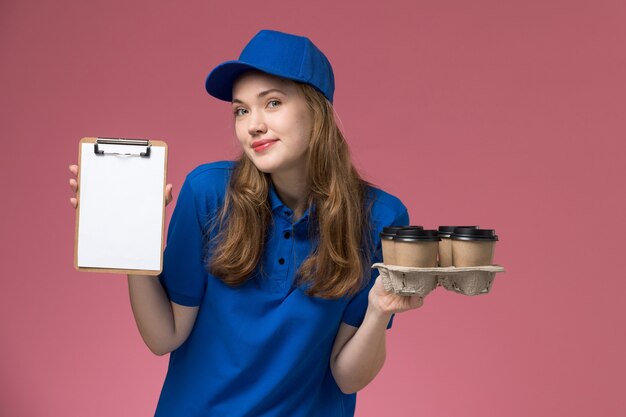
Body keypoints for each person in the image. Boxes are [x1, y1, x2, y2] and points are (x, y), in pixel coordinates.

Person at [69, 29, 424, 417]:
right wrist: (131, 238)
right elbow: (164, 335)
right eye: (241, 110)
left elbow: (347, 376)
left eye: (272, 103)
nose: (253, 125)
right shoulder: (208, 193)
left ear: (316, 109)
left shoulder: (380, 218)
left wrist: (378, 310)